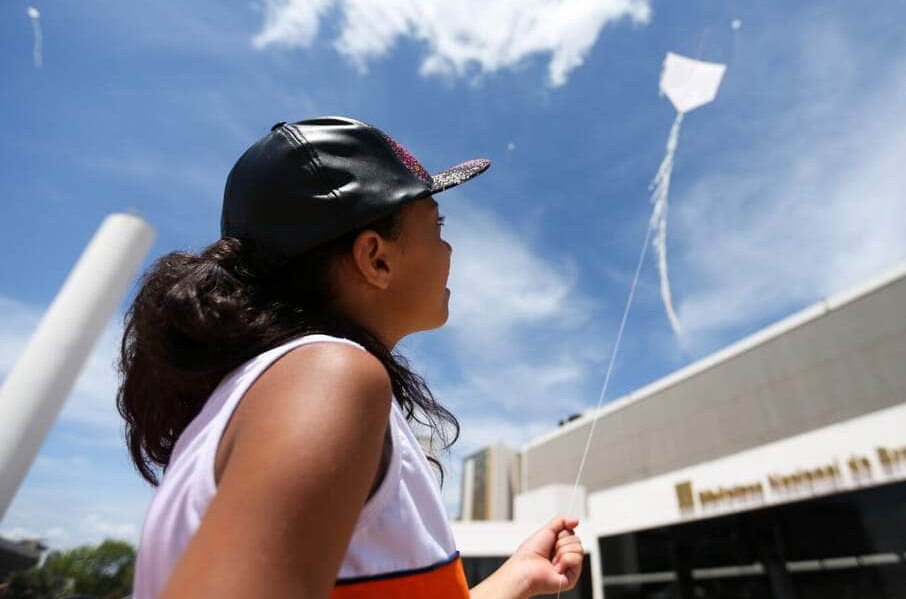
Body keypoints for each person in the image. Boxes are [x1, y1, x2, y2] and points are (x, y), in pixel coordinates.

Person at [119, 117, 585, 598]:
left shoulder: (269, 387)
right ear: (376, 258)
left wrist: (516, 579)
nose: (449, 248)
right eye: (437, 225)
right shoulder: (330, 375)